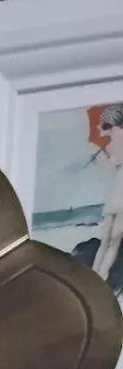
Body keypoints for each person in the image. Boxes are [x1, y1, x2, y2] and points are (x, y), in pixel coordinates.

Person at [72, 103, 123, 296]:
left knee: (108, 240)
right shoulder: (114, 139)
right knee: (112, 241)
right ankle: (101, 278)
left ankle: (97, 278)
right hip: (120, 190)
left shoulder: (111, 141)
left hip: (117, 190)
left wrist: (104, 154)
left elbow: (114, 162)